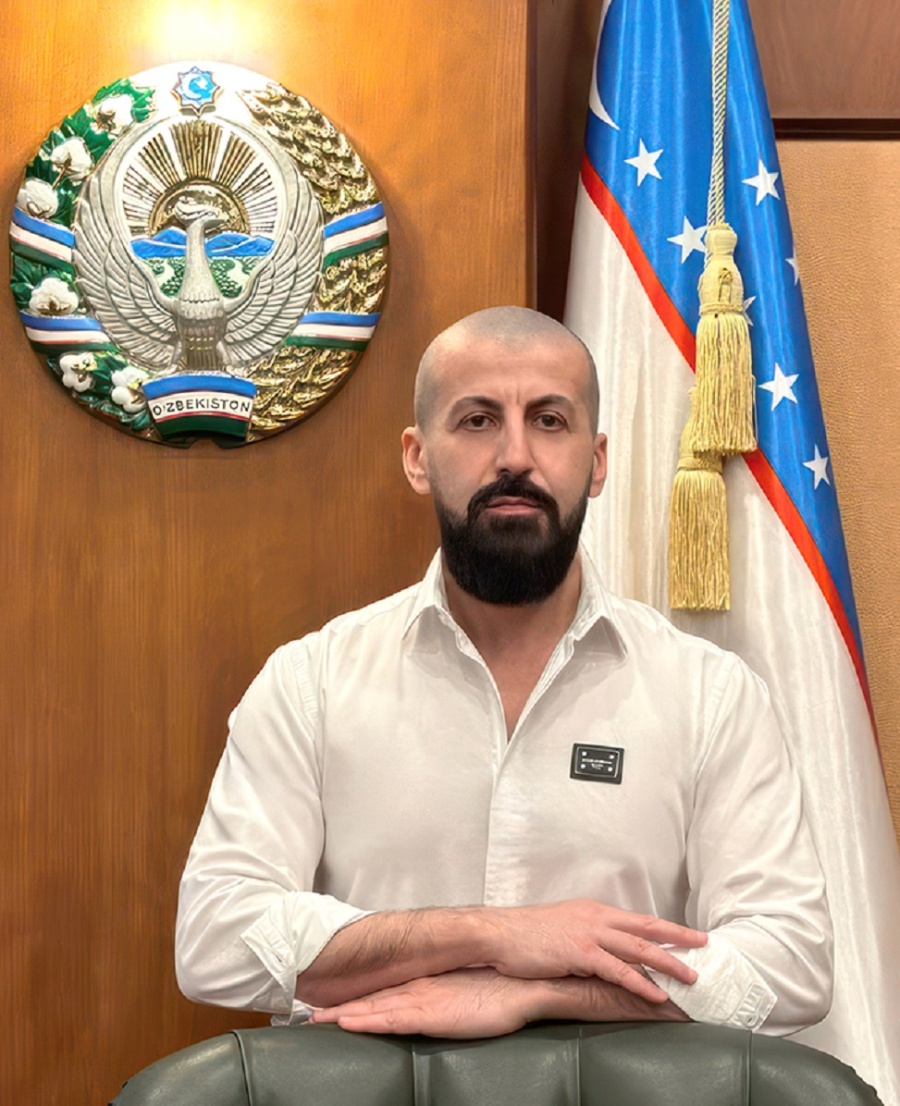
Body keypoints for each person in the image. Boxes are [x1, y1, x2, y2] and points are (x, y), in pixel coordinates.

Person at [175, 306, 832, 1039]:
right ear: (418, 457)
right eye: (478, 420)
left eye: (550, 421)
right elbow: (214, 938)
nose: (515, 456)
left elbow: (792, 962)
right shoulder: (311, 683)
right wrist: (488, 935)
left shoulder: (710, 694)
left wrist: (542, 990)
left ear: (598, 461)